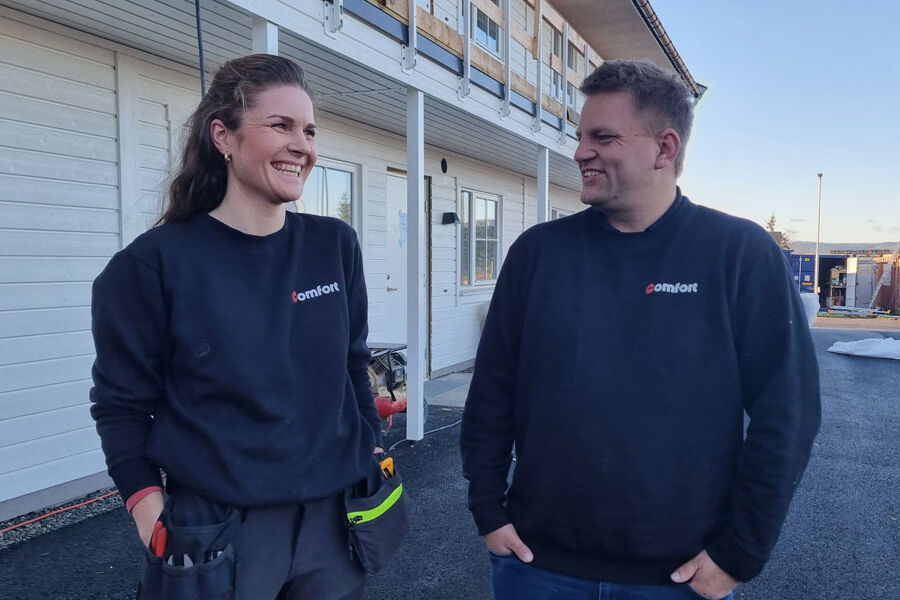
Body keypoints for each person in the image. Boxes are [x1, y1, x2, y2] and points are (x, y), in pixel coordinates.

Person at [459, 59, 821, 600]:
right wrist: (488, 509)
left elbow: (786, 415)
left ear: (665, 148)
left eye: (603, 137)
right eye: (580, 136)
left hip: (679, 578)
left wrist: (738, 554)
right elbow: (492, 391)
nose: (581, 151)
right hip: (537, 566)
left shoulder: (738, 255)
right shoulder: (539, 254)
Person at [90, 54, 383, 600]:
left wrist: (366, 447)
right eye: (281, 126)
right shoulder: (151, 267)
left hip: (334, 526)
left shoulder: (333, 246)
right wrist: (149, 514)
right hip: (216, 533)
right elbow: (121, 406)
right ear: (222, 136)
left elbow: (351, 363)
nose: (303, 145)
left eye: (309, 130)